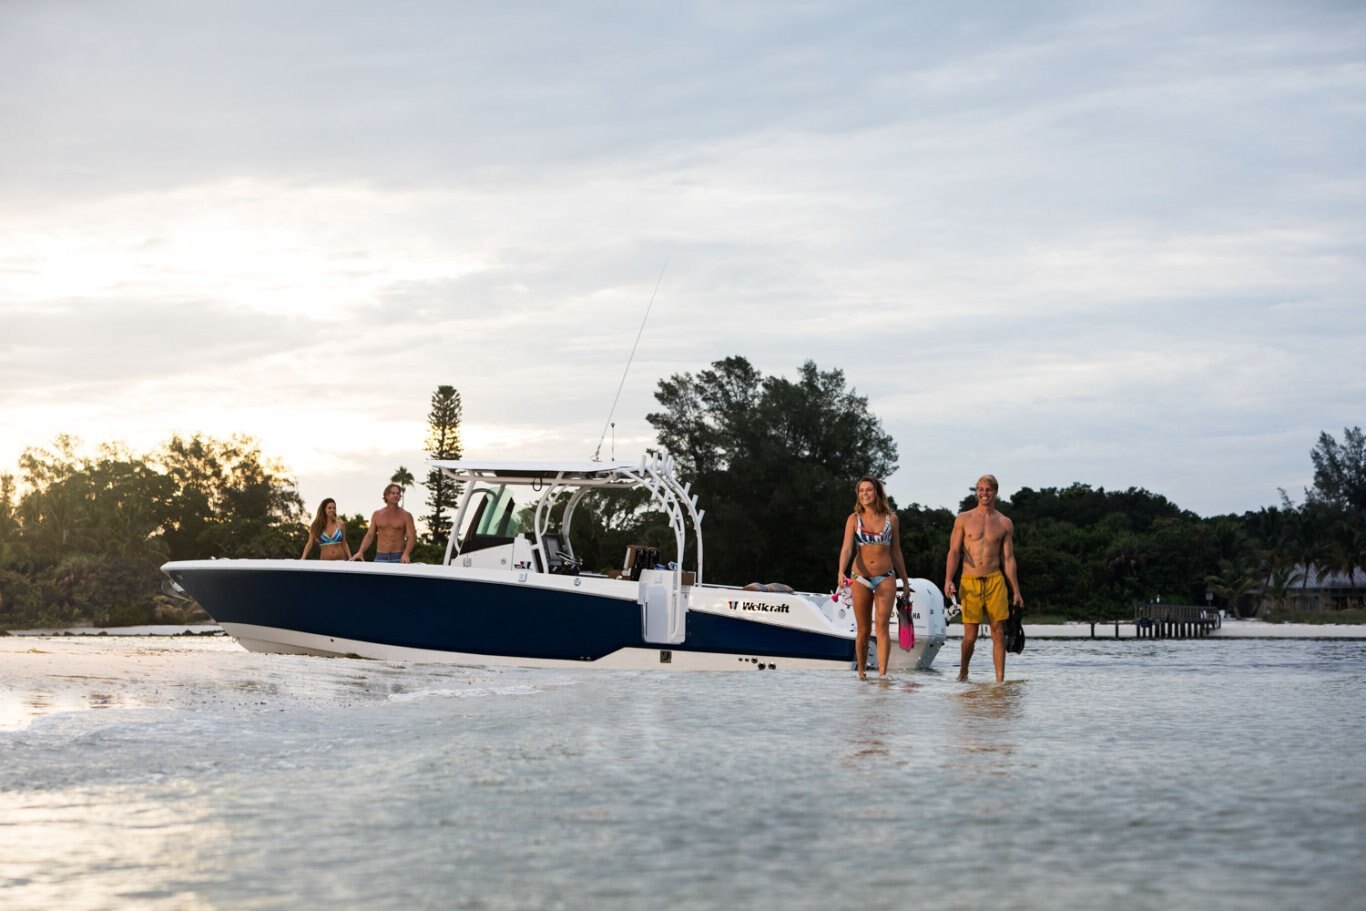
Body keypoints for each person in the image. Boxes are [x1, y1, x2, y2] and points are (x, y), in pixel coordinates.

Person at [945, 474, 1023, 682]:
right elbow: (954, 551)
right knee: (970, 636)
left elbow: (1008, 558)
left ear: (995, 492)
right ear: (976, 492)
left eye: (988, 489)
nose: (984, 493)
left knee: (998, 632)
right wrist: (948, 579)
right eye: (980, 489)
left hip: (995, 580)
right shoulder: (963, 519)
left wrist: (1016, 590)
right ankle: (963, 671)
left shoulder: (1004, 522)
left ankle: (1000, 681)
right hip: (969, 581)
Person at [837, 476, 912, 679]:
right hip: (860, 577)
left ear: (877, 492)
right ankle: (861, 673)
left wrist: (905, 581)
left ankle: (882, 676)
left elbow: (896, 552)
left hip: (886, 577)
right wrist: (841, 571)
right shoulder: (853, 519)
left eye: (869, 490)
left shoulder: (891, 519)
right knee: (863, 629)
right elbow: (847, 548)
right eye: (861, 491)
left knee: (882, 626)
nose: (865, 494)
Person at [350, 483, 417, 564]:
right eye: (393, 493)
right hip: (380, 556)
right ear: (386, 496)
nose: (396, 495)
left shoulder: (406, 515)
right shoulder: (377, 514)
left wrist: (406, 554)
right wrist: (360, 552)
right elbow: (370, 535)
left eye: (398, 493)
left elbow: (411, 537)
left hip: (398, 557)